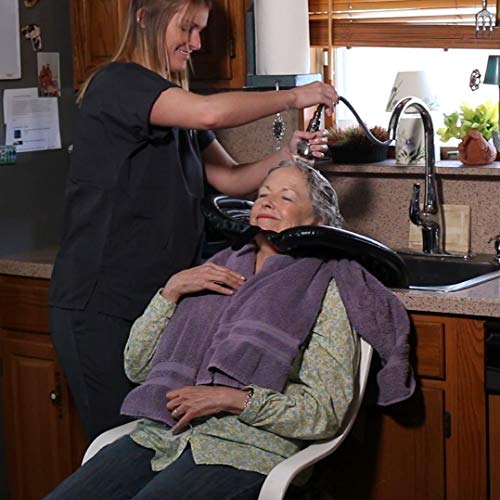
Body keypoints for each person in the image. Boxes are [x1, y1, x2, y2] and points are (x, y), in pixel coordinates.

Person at [49, 0, 339, 442]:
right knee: (119, 448)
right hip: (101, 303)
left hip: (155, 303)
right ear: (145, 18)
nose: (197, 43)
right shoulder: (118, 84)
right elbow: (210, 112)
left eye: (200, 30)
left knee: (156, 446)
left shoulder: (173, 108)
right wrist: (296, 96)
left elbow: (229, 178)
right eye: (187, 28)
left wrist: (287, 156)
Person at [46, 160, 414, 500]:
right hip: (161, 435)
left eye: (285, 197)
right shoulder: (214, 272)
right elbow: (138, 368)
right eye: (262, 194)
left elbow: (324, 413)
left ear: (318, 222)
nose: (267, 202)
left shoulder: (327, 287)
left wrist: (230, 398)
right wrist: (170, 291)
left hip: (247, 448)